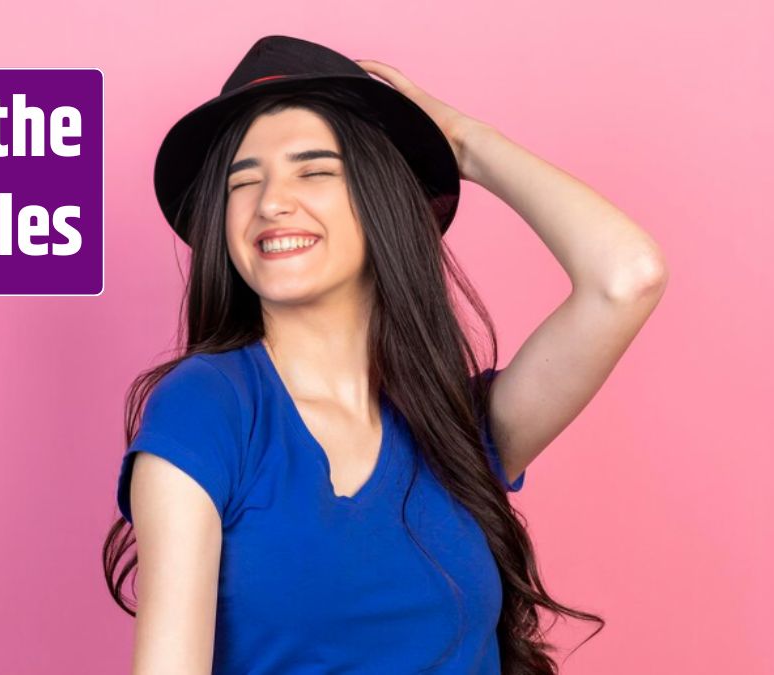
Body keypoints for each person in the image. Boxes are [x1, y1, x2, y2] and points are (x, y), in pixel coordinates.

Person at [103, 35, 667, 674]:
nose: (271, 202)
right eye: (243, 182)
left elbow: (627, 276)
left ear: (384, 200)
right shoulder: (207, 410)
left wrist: (460, 142)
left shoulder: (458, 429)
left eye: (314, 170)